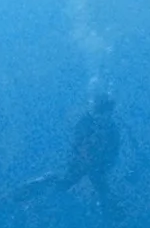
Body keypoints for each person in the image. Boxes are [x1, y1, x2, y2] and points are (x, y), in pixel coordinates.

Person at [12, 90, 123, 220]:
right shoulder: (88, 123)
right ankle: (33, 190)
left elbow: (112, 151)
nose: (105, 118)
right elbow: (79, 145)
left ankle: (113, 220)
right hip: (84, 163)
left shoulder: (110, 128)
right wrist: (85, 160)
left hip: (96, 165)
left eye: (107, 114)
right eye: (103, 114)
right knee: (65, 183)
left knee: (99, 190)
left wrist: (103, 164)